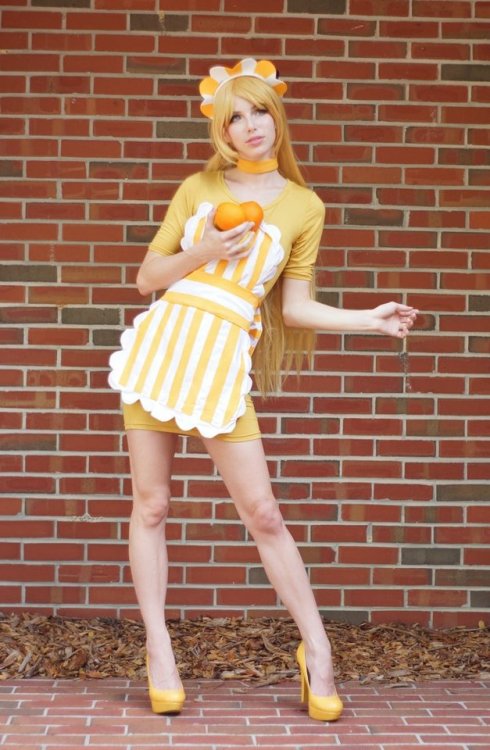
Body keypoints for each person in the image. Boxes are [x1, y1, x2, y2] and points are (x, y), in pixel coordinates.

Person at [108, 57, 417, 721]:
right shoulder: (198, 187)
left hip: (220, 360)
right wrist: (208, 251)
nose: (250, 126)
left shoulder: (305, 206)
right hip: (163, 348)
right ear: (221, 131)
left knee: (265, 514)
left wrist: (370, 319)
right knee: (152, 505)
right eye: (235, 117)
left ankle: (318, 652)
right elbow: (146, 277)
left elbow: (295, 307)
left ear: (277, 118)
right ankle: (159, 650)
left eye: (260, 112)